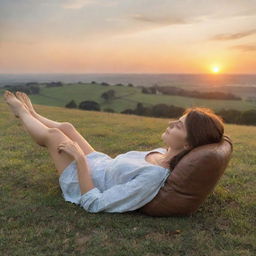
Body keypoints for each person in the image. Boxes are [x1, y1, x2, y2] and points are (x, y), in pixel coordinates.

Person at [3, 90, 225, 213]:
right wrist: (87, 158)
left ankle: (22, 113)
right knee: (67, 127)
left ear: (188, 144)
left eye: (178, 125)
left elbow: (95, 203)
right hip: (99, 163)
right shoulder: (161, 152)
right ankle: (32, 114)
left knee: (53, 136)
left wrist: (79, 158)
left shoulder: (153, 177)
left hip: (81, 181)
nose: (170, 123)